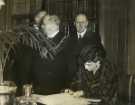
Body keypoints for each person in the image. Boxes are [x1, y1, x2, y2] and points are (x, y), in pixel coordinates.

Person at [31, 15, 70, 95]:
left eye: (44, 24)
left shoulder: (64, 40)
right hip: (40, 88)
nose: (42, 26)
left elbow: (68, 66)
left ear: (52, 25)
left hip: (56, 89)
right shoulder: (42, 40)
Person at [67, 13, 105, 83]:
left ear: (87, 23)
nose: (80, 25)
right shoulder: (69, 38)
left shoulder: (94, 37)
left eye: (83, 22)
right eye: (78, 22)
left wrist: (94, 64)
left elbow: (102, 54)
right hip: (72, 77)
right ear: (74, 24)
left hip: (87, 76)